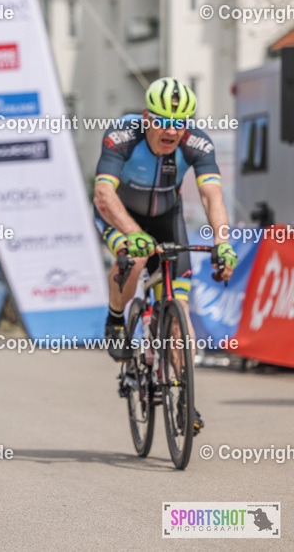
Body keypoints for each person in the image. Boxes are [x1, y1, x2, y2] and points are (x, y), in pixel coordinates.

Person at [93, 77, 237, 436]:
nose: (171, 130)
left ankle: (185, 397)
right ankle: (115, 320)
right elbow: (102, 194)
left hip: (167, 220)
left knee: (178, 314)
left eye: (179, 123)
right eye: (163, 121)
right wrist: (134, 233)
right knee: (136, 257)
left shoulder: (196, 143)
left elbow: (211, 196)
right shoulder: (123, 134)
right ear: (146, 118)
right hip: (120, 214)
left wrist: (223, 241)